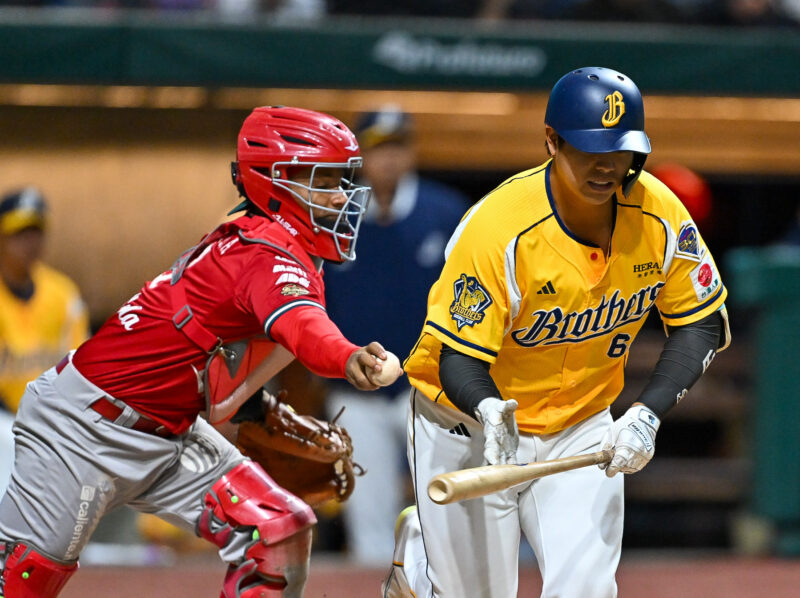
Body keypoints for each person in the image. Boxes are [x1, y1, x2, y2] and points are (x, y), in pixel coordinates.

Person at [0, 106, 403, 598]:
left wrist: (259, 407)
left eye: (342, 180)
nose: (340, 195)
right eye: (322, 179)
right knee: (24, 581)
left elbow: (219, 360)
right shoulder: (262, 253)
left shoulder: (273, 247)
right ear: (273, 182)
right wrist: (347, 357)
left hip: (167, 432)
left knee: (279, 530)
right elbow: (303, 326)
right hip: (82, 429)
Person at [382, 66, 731, 598]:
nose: (608, 165)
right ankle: (424, 558)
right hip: (466, 419)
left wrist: (646, 413)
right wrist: (487, 409)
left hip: (579, 420)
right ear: (551, 140)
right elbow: (457, 359)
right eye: (590, 148)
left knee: (586, 589)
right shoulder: (499, 228)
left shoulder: (659, 213)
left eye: (622, 149)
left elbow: (702, 322)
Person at [322, 106, 469, 565]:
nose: (386, 160)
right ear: (360, 157)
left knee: (448, 510)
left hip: (430, 391)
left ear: (411, 153)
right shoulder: (333, 217)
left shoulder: (446, 213)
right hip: (354, 389)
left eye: (396, 148)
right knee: (367, 517)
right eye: (376, 149)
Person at [0, 187, 89, 492]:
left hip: (53, 424)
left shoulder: (62, 294)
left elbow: (82, 369)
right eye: (20, 233)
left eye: (36, 232)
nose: (30, 242)